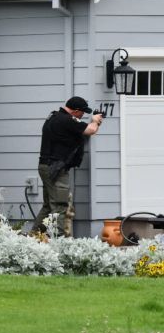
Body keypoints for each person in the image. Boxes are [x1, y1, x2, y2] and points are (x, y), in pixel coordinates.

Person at [32, 96, 104, 237]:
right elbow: (90, 130)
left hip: (46, 167)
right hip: (56, 168)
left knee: (49, 205)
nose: (83, 115)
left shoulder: (54, 117)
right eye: (82, 112)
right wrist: (95, 121)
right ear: (76, 111)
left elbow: (75, 131)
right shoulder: (66, 120)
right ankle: (58, 240)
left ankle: (33, 236)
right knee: (60, 205)